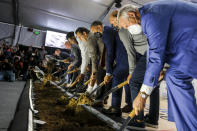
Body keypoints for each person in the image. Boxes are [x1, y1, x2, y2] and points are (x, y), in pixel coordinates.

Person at [118, 1, 197, 130]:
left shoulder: (151, 16)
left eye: (126, 26)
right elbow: (153, 50)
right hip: (189, 40)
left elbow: (156, 55)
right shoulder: (149, 14)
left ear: (132, 15)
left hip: (191, 39)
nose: (128, 30)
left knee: (176, 77)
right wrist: (163, 68)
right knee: (173, 76)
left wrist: (143, 94)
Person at [110, 10, 160, 128]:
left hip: (148, 55)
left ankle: (138, 120)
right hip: (156, 51)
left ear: (119, 20)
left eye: (113, 21)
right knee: (154, 86)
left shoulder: (123, 31)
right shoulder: (142, 22)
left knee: (134, 82)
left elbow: (130, 52)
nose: (113, 25)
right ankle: (153, 119)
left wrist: (132, 72)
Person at [90, 21, 131, 117]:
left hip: (123, 60)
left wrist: (108, 72)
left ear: (99, 27)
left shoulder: (106, 32)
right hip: (125, 59)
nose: (95, 34)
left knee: (116, 78)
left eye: (94, 31)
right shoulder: (110, 31)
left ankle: (115, 108)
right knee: (124, 81)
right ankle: (121, 106)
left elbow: (110, 53)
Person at [75, 27, 106, 106]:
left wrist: (94, 71)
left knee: (99, 77)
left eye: (80, 36)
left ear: (84, 33)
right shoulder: (89, 39)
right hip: (100, 60)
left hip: (104, 59)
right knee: (97, 77)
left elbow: (94, 57)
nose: (80, 39)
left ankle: (98, 99)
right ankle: (93, 95)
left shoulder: (90, 39)